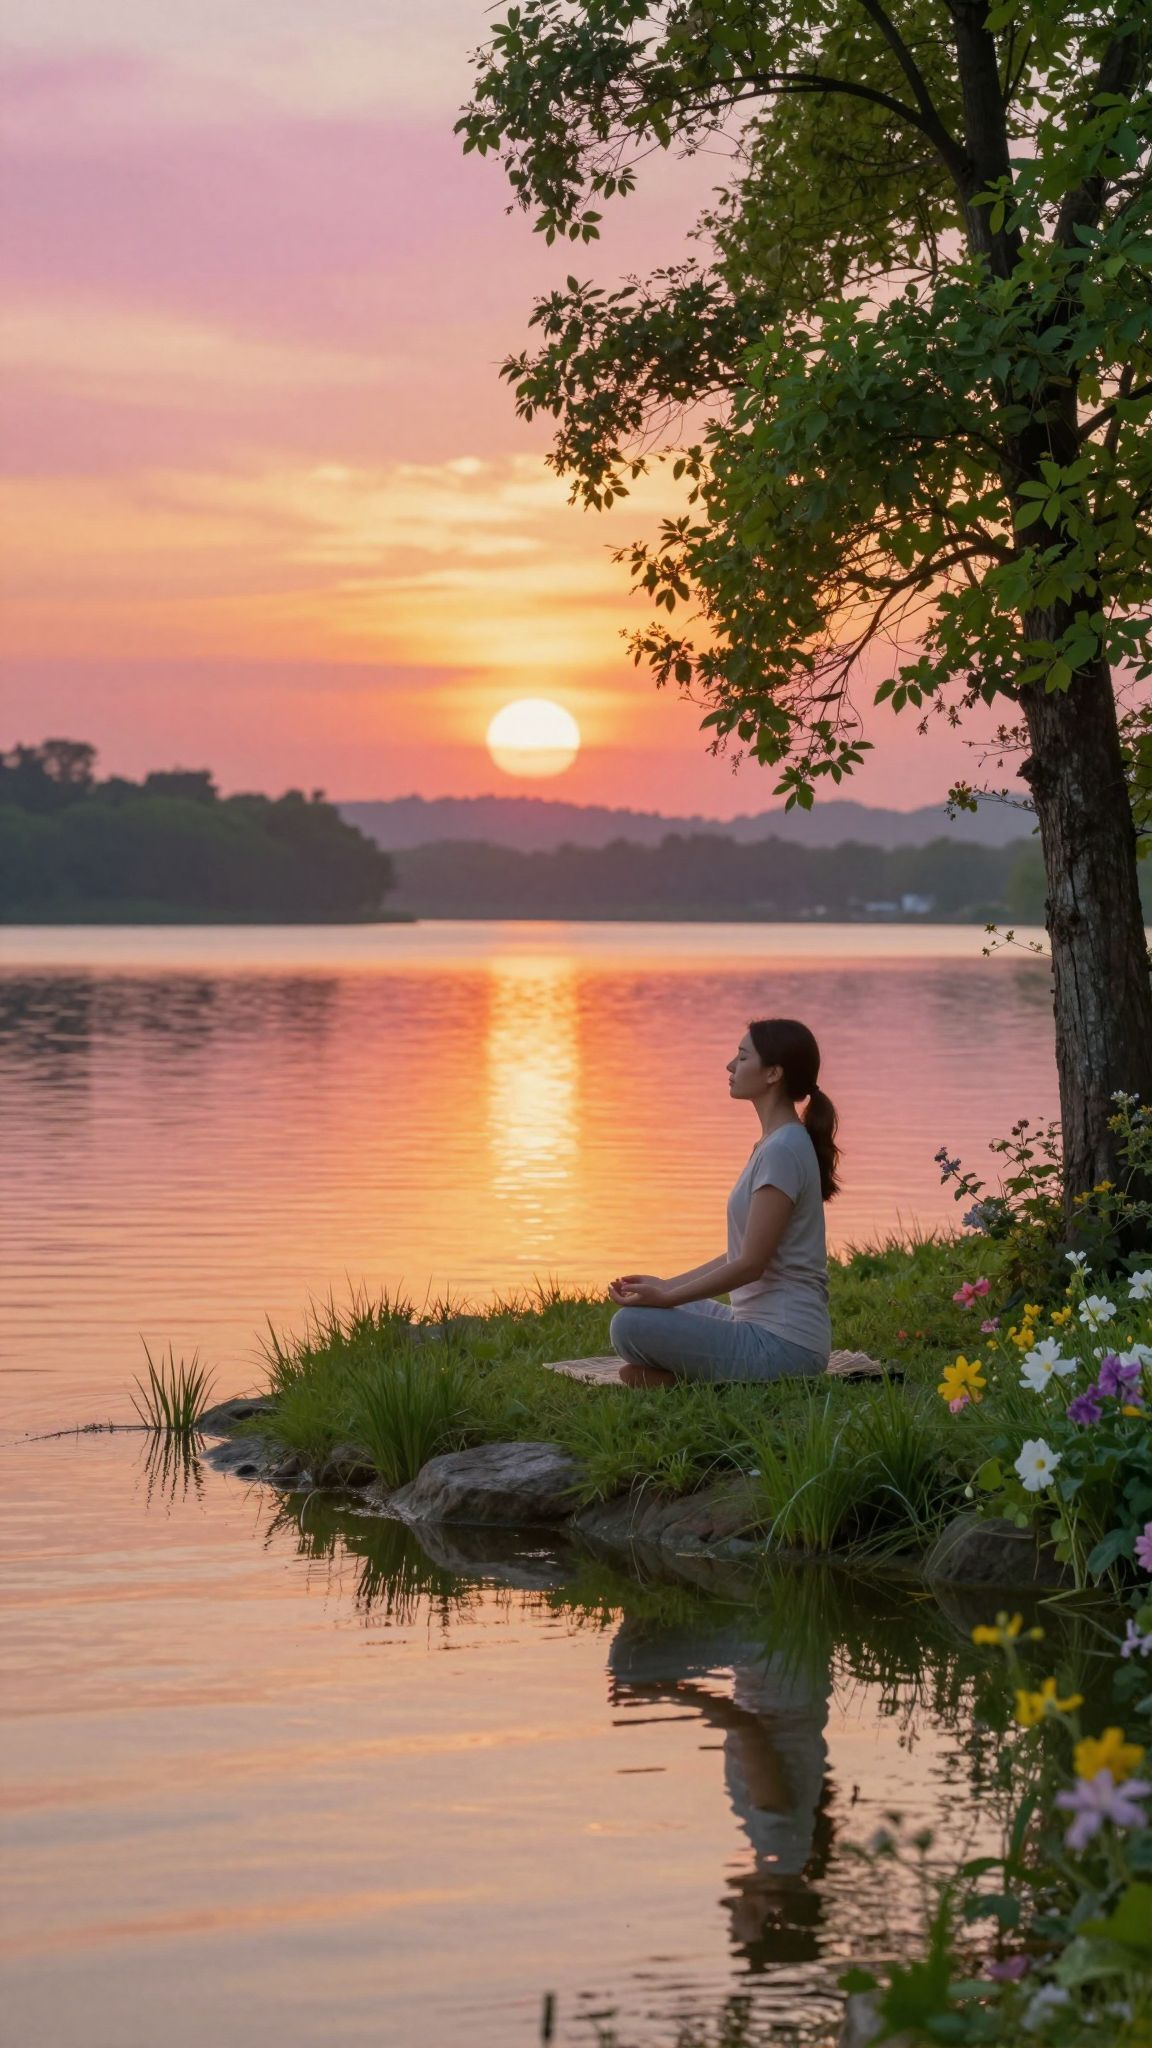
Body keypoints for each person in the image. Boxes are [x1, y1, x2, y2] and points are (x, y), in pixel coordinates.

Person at [608, 1017, 837, 1386]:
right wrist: (666, 1287)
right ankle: (687, 1377)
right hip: (756, 1327)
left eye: (743, 1057)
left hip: (785, 1346)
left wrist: (667, 1299)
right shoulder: (775, 1143)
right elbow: (742, 1253)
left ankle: (689, 1378)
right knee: (651, 1300)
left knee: (630, 1325)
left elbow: (750, 1265)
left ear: (773, 1073)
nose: (730, 1066)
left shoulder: (783, 1150)